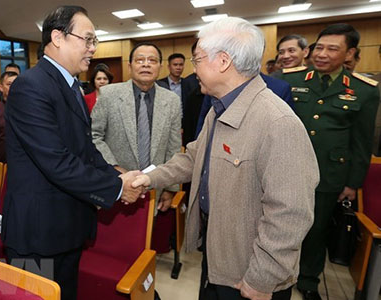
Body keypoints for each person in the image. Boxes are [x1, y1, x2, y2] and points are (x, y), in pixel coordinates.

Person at [132, 17, 319, 300]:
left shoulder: (277, 122)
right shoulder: (219, 109)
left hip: (250, 273)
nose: (194, 69)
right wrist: (147, 178)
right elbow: (194, 159)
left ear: (222, 62)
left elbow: (290, 214)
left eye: (197, 60)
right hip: (220, 253)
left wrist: (262, 278)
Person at [1, 6, 142, 300]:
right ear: (58, 37)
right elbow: (56, 161)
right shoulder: (31, 86)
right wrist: (117, 188)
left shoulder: (72, 86)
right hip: (37, 233)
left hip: (67, 226)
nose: (93, 49)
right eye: (87, 39)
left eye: (94, 42)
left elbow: (85, 149)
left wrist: (117, 173)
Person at [280, 23, 380, 300]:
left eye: (332, 49)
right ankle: (279, 275)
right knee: (281, 225)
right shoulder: (291, 80)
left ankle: (309, 281)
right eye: (319, 47)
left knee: (316, 230)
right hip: (286, 169)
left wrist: (353, 182)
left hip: (329, 173)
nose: (322, 54)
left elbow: (361, 142)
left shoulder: (365, 90)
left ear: (350, 53)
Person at [91, 42, 182, 212]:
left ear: (160, 67)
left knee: (149, 238)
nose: (146, 64)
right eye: (140, 60)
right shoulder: (109, 94)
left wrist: (171, 188)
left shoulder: (171, 101)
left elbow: (174, 148)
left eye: (152, 60)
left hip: (155, 189)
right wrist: (115, 168)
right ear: (130, 65)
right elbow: (93, 135)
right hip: (116, 186)